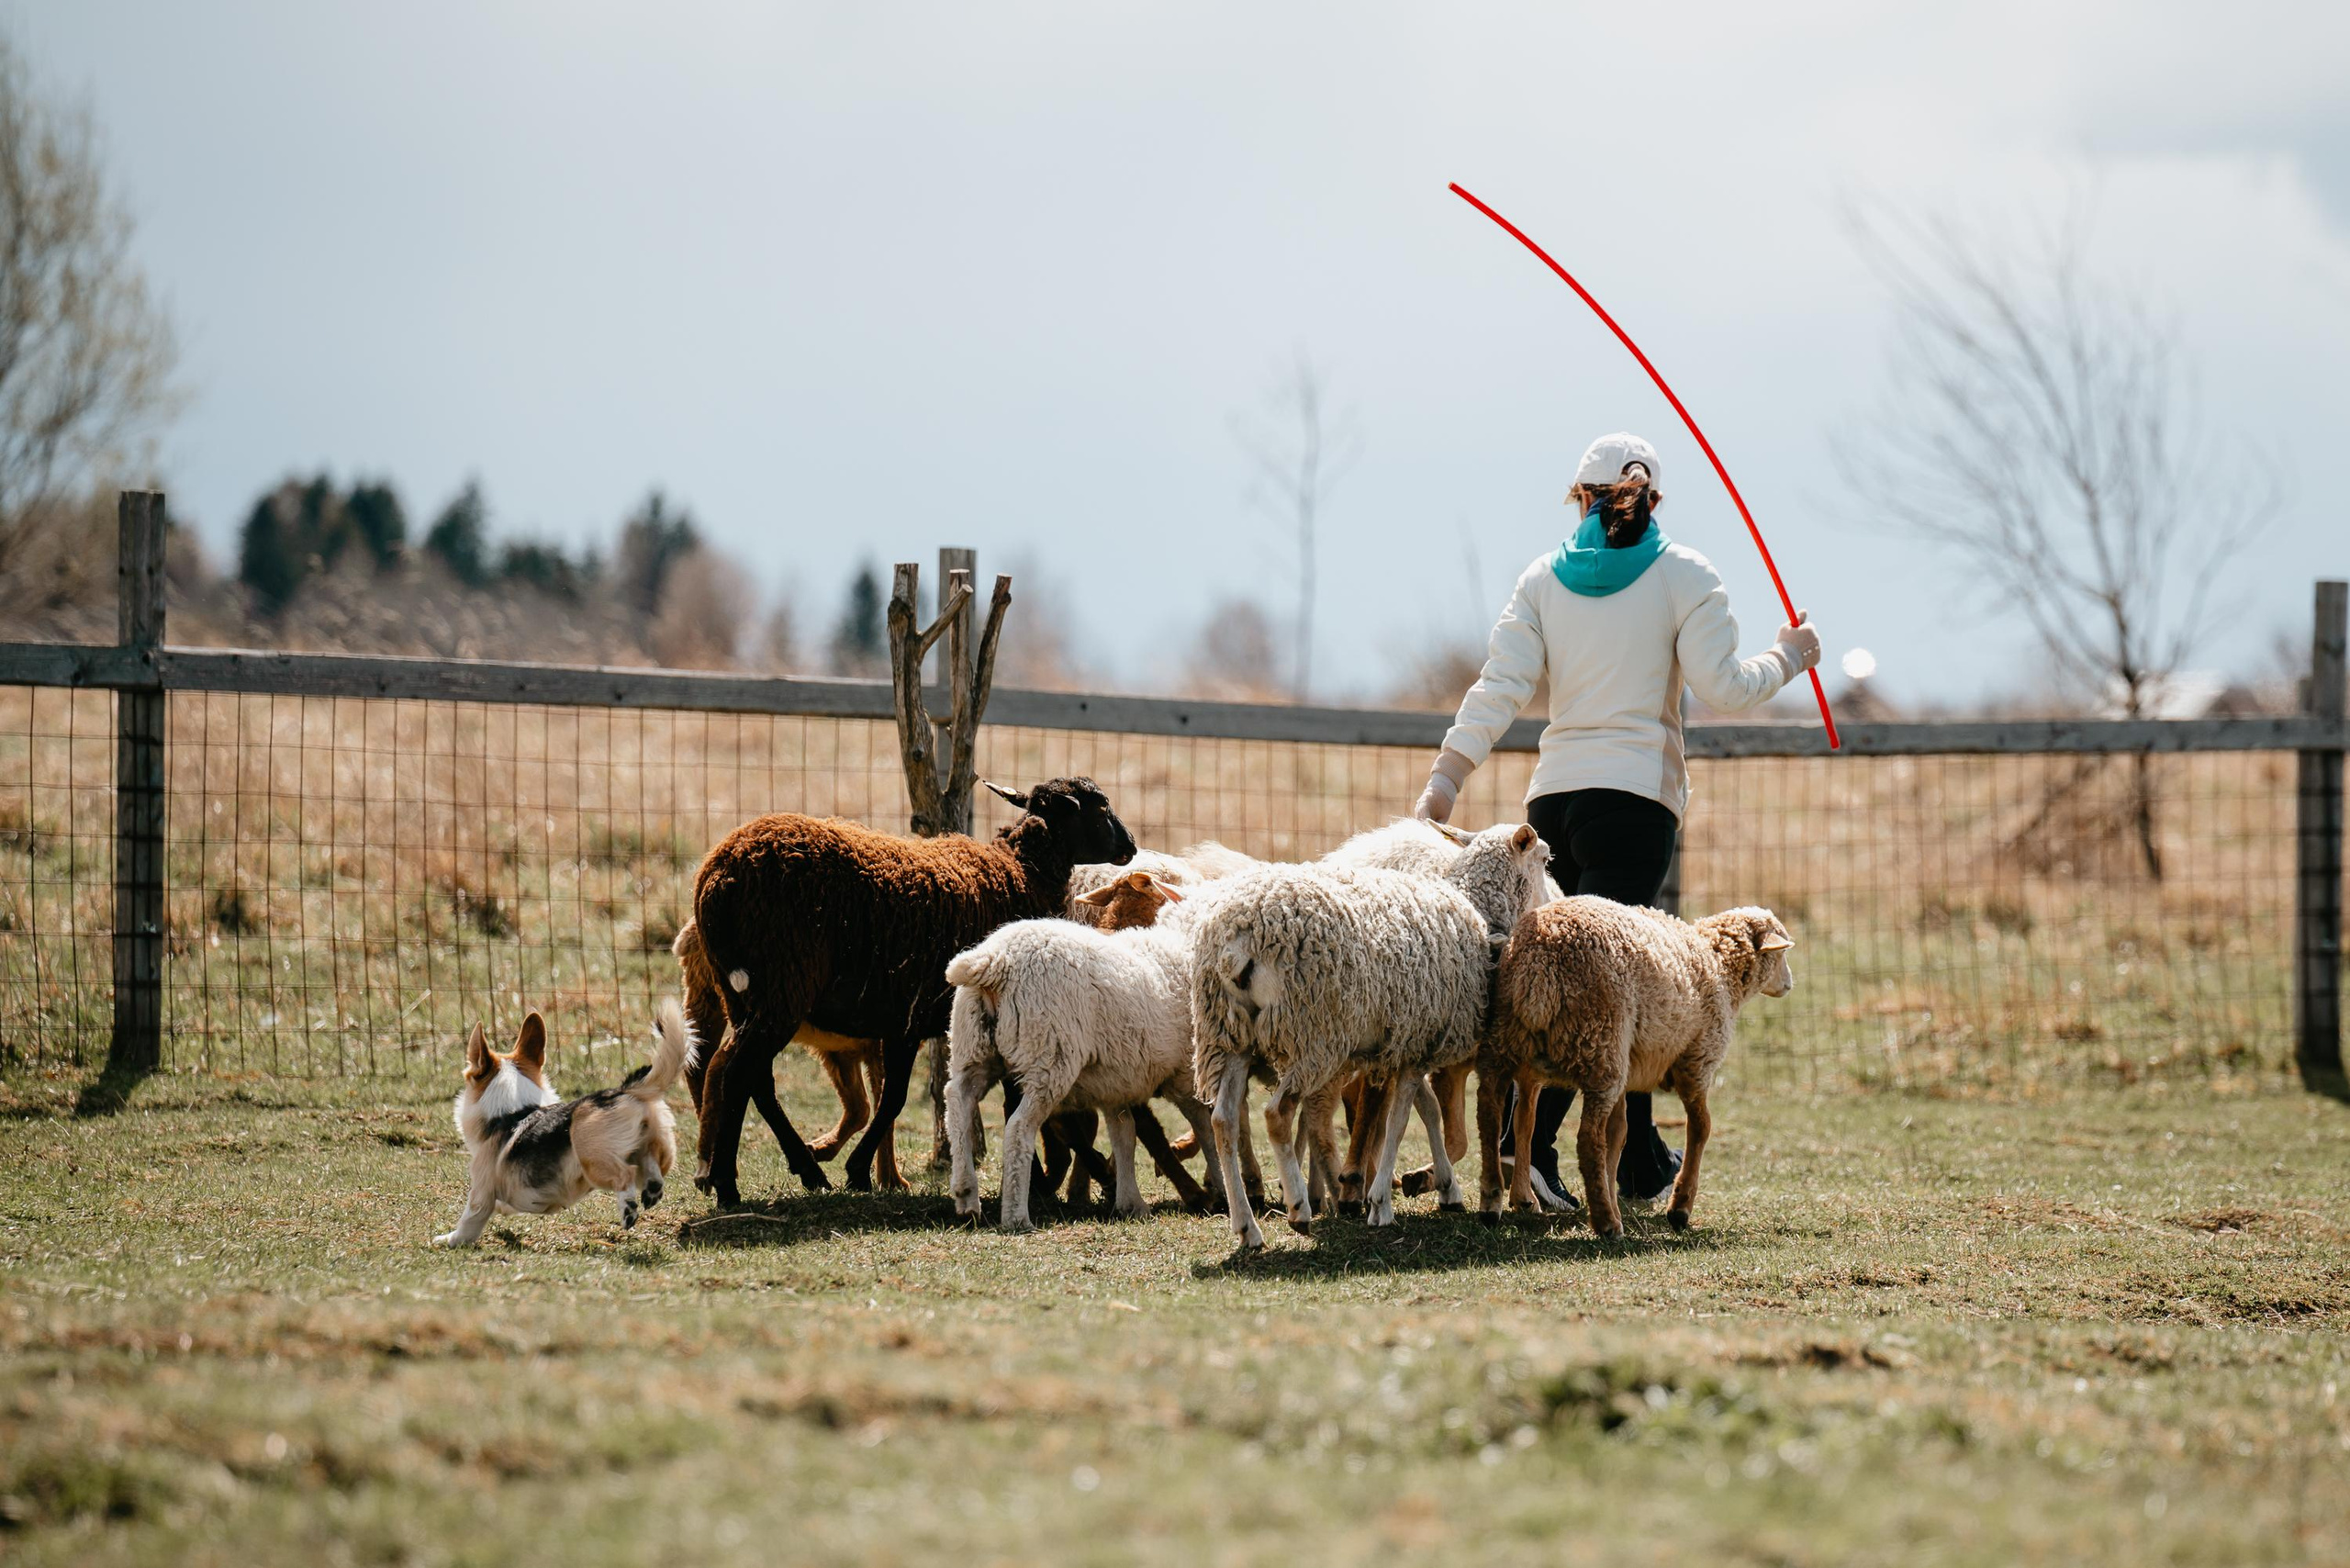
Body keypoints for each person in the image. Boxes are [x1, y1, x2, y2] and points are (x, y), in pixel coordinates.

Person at [1413, 431, 1820, 1210]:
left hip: (1553, 804)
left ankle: (1632, 1162)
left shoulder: (1540, 581)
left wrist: (1446, 778)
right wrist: (1792, 655)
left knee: (1580, 985)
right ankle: (1524, 1153)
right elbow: (1727, 687)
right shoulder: (1686, 576)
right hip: (1635, 805)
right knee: (1614, 990)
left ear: (1580, 498)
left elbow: (1498, 687)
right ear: (1652, 497)